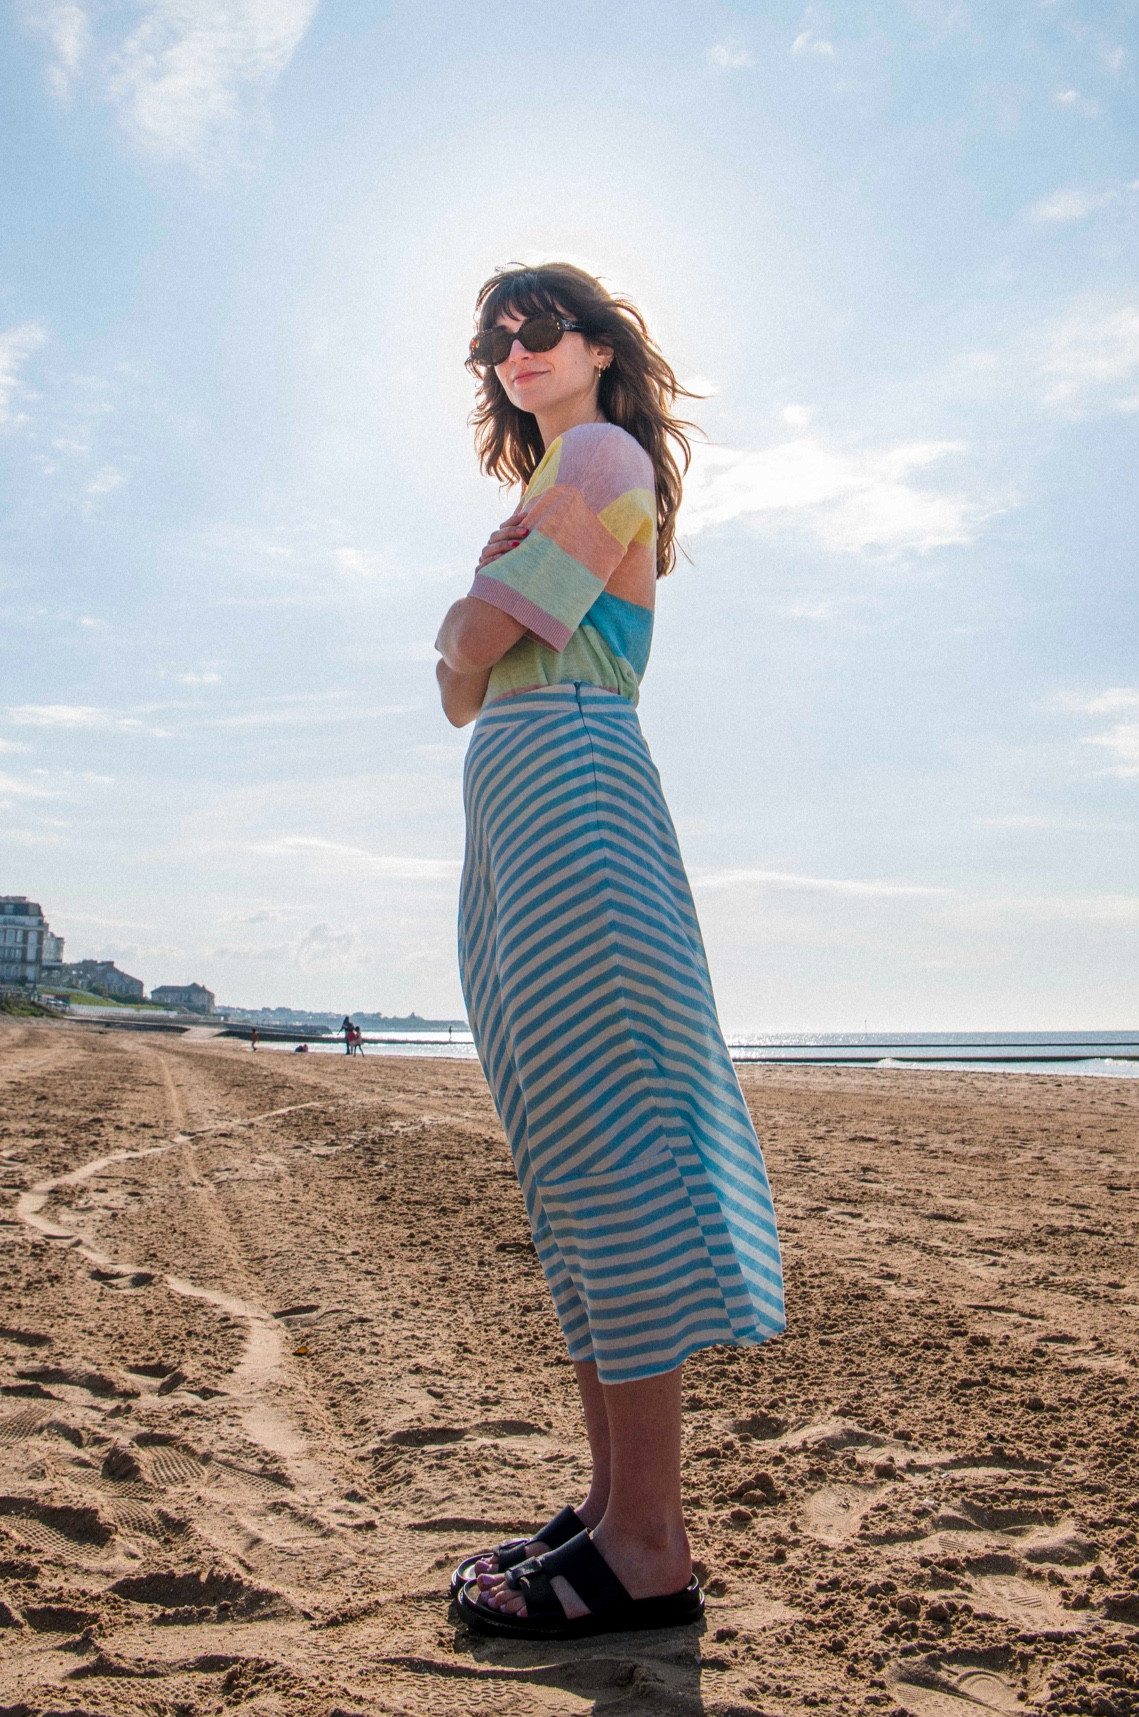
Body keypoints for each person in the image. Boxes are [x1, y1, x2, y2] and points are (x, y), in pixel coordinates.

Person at [434, 263, 785, 1641]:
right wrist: (469, 643)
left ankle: (647, 1542)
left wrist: (467, 632)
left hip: (571, 778)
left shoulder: (600, 452)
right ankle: (607, 1506)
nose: (515, 348)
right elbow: (461, 681)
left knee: (608, 1144)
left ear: (594, 348)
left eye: (541, 328)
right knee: (561, 1155)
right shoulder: (545, 483)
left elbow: (472, 651)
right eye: (494, 338)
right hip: (518, 798)